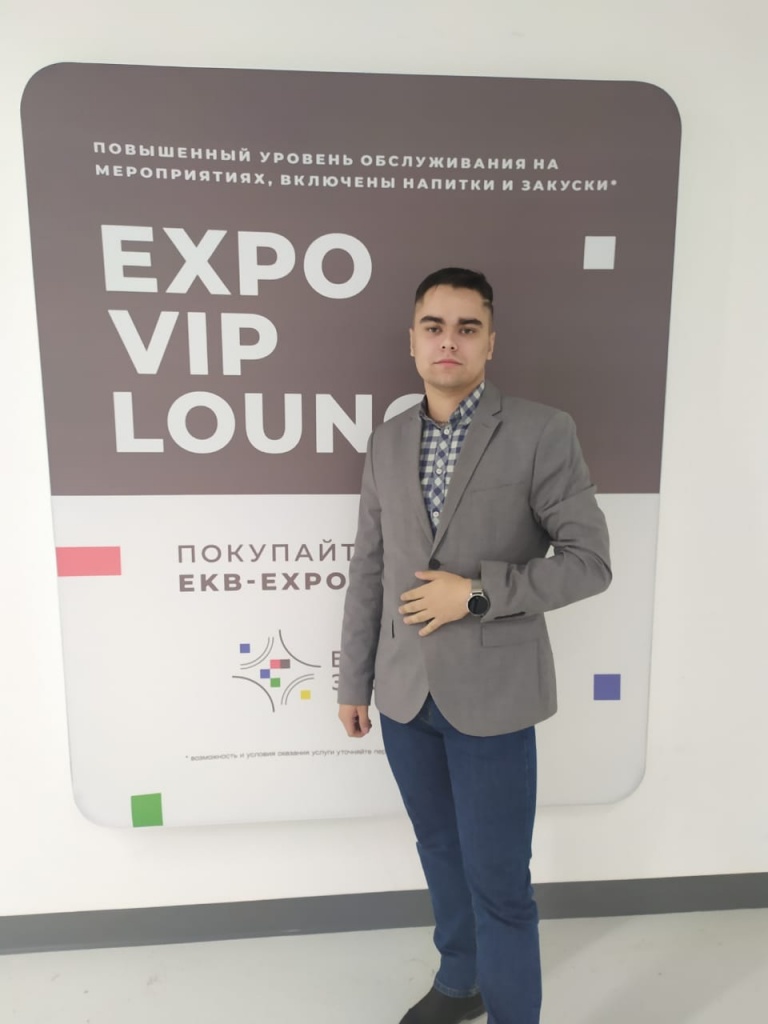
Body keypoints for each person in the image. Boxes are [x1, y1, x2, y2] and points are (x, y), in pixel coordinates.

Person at [337, 267, 611, 1024]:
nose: (448, 341)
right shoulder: (387, 440)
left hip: (493, 699)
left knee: (499, 881)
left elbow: (589, 562)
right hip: (403, 695)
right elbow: (369, 568)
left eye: (467, 327)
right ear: (413, 341)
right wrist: (353, 681)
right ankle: (461, 983)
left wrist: (477, 593)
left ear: (491, 342)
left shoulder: (541, 431)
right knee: (439, 852)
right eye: (434, 327)